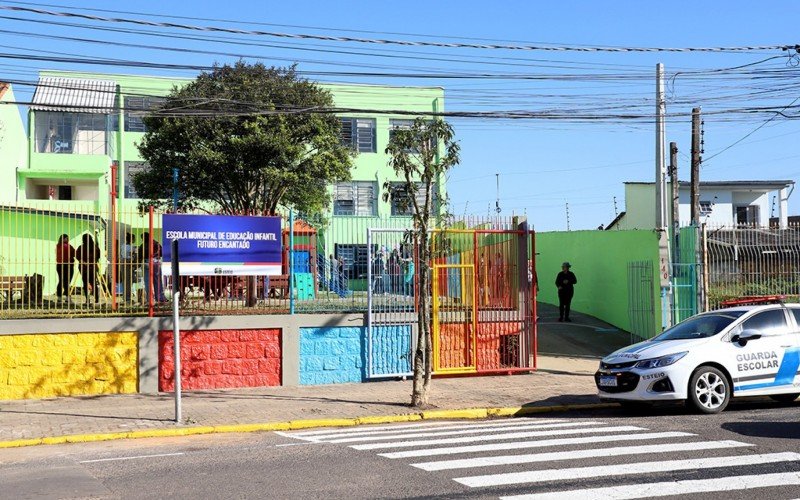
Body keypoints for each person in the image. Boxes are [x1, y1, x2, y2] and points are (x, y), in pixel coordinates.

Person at [139, 232, 166, 304]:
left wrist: (138, 264)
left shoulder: (142, 245)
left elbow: (139, 255)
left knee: (147, 282)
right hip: (155, 262)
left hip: (146, 262)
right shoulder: (156, 244)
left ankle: (150, 299)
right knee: (157, 281)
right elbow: (162, 252)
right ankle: (160, 298)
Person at [75, 233, 101, 305]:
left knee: (85, 283)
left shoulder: (81, 247)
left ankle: (87, 300)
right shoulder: (95, 247)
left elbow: (78, 257)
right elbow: (98, 256)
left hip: (84, 268)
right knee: (93, 282)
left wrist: (83, 262)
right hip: (93, 267)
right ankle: (96, 299)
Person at [55, 234, 75, 301]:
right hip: (67, 265)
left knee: (61, 280)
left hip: (59, 265)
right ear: (63, 239)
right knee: (67, 281)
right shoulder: (67, 246)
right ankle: (67, 297)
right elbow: (74, 253)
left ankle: (59, 296)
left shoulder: (58, 246)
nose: (68, 239)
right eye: (67, 238)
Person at [119, 232, 136, 304]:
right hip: (128, 263)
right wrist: (133, 257)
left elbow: (120, 255)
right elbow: (131, 257)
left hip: (122, 263)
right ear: (131, 239)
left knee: (124, 280)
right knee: (129, 281)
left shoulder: (123, 246)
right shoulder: (131, 247)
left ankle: (125, 296)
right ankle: (128, 298)